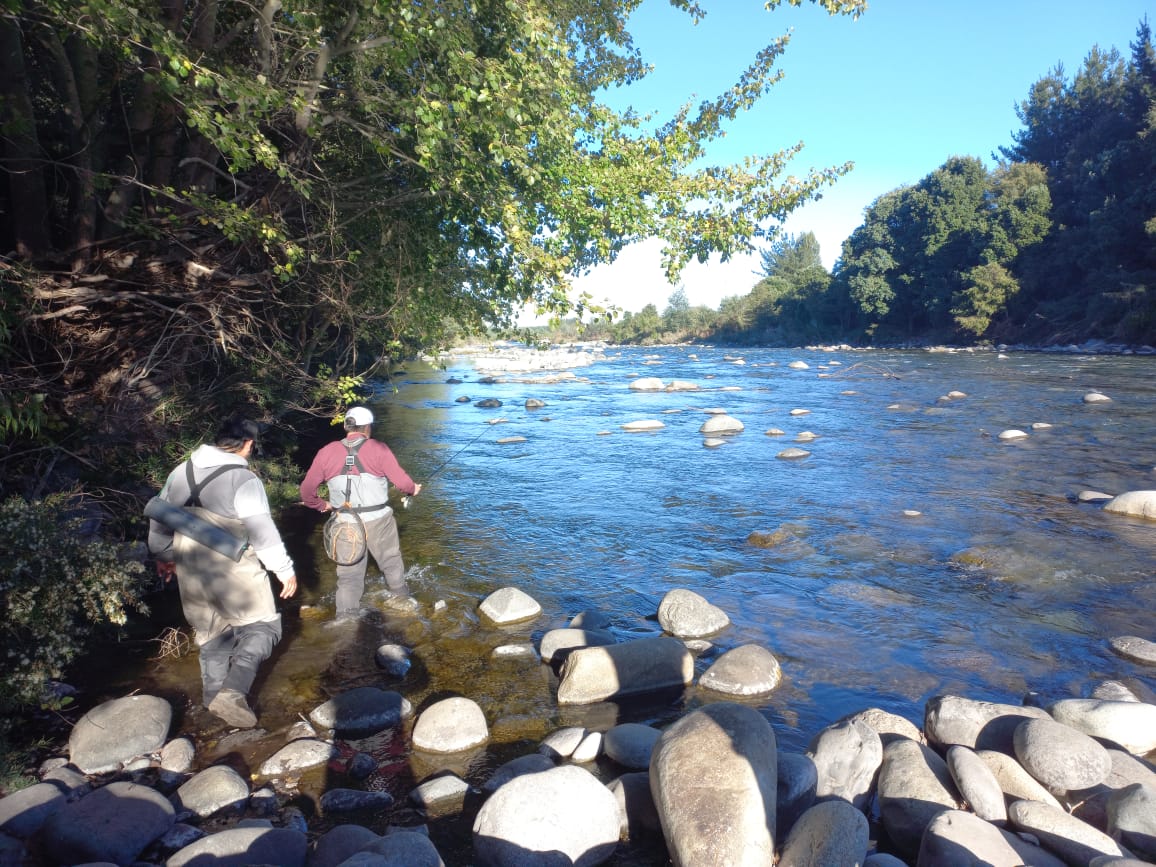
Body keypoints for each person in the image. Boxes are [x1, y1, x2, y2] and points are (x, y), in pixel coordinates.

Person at [147, 417, 297, 729]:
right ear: (249, 445)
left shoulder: (179, 472)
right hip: (233, 564)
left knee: (211, 632)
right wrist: (284, 570)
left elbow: (158, 519)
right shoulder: (244, 480)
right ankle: (232, 693)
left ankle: (210, 704)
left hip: (189, 564)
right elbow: (262, 531)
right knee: (263, 627)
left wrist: (162, 555)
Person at [299, 406, 421, 618]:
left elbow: (306, 491)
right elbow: (404, 483)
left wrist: (322, 505)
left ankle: (345, 621)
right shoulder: (378, 448)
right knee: (391, 563)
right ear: (367, 427)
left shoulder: (326, 452)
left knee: (348, 578)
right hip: (379, 520)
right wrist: (413, 489)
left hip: (343, 523)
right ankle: (403, 605)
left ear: (347, 426)